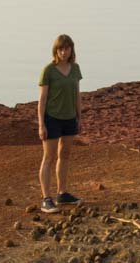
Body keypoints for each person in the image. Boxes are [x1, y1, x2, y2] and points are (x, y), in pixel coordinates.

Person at [37, 33, 84, 214]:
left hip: (70, 117)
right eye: (61, 49)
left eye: (67, 48)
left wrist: (79, 118)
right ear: (56, 50)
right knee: (48, 157)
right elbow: (42, 100)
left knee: (64, 154)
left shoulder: (75, 68)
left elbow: (77, 94)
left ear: (72, 49)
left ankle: (62, 193)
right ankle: (46, 198)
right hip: (52, 118)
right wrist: (41, 124)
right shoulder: (48, 70)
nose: (64, 52)